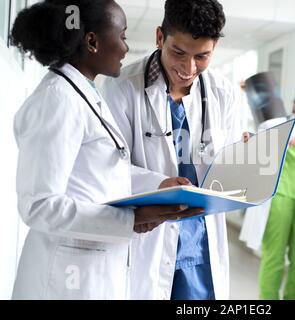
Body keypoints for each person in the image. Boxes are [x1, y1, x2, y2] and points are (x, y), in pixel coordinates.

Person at [10, 0, 202, 300]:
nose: (126, 47)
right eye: (122, 35)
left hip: (90, 269)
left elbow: (100, 169)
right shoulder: (57, 100)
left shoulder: (82, 93)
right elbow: (39, 205)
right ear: (92, 41)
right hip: (64, 279)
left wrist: (158, 184)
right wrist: (131, 220)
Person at [101, 0, 240, 300]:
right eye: (179, 52)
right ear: (160, 37)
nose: (188, 68)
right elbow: (106, 168)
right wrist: (158, 184)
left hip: (201, 241)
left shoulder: (222, 93)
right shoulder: (122, 88)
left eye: (202, 56)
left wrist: (245, 159)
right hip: (149, 239)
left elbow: (225, 165)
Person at [241, 86, 295, 300]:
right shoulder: (279, 124)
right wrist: (250, 138)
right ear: (294, 102)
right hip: (278, 198)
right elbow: (259, 142)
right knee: (274, 257)